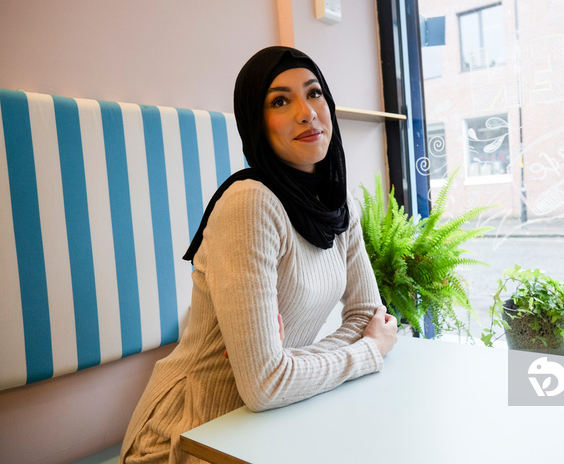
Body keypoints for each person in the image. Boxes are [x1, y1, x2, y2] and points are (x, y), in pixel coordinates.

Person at [119, 46, 398, 463]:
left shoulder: (337, 206)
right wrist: (367, 352)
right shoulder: (249, 203)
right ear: (256, 123)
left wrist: (290, 364)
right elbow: (266, 384)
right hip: (190, 435)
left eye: (314, 93)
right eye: (280, 101)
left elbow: (368, 318)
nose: (306, 112)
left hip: (273, 424)